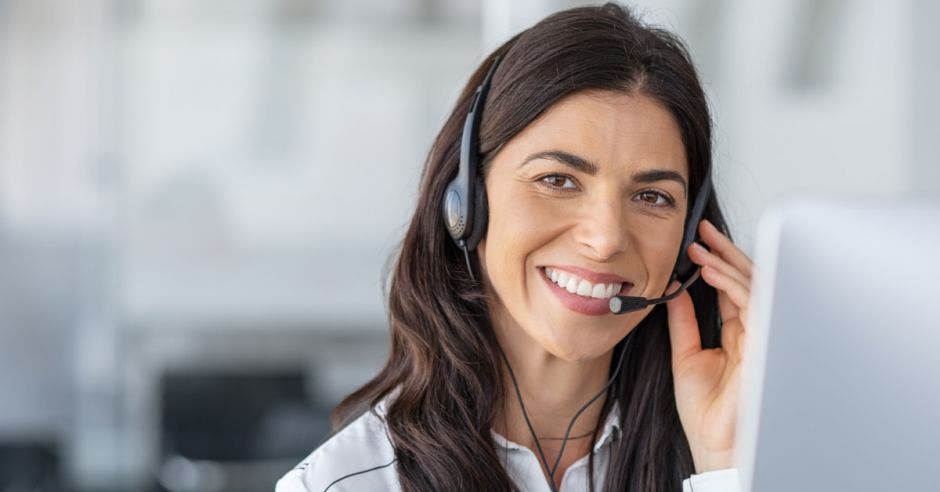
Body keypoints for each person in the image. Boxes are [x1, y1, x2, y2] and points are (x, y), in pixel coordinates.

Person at [277, 3, 753, 491]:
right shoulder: (341, 485)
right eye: (557, 180)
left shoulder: (734, 463)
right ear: (467, 201)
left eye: (652, 196)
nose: (606, 238)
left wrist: (725, 461)